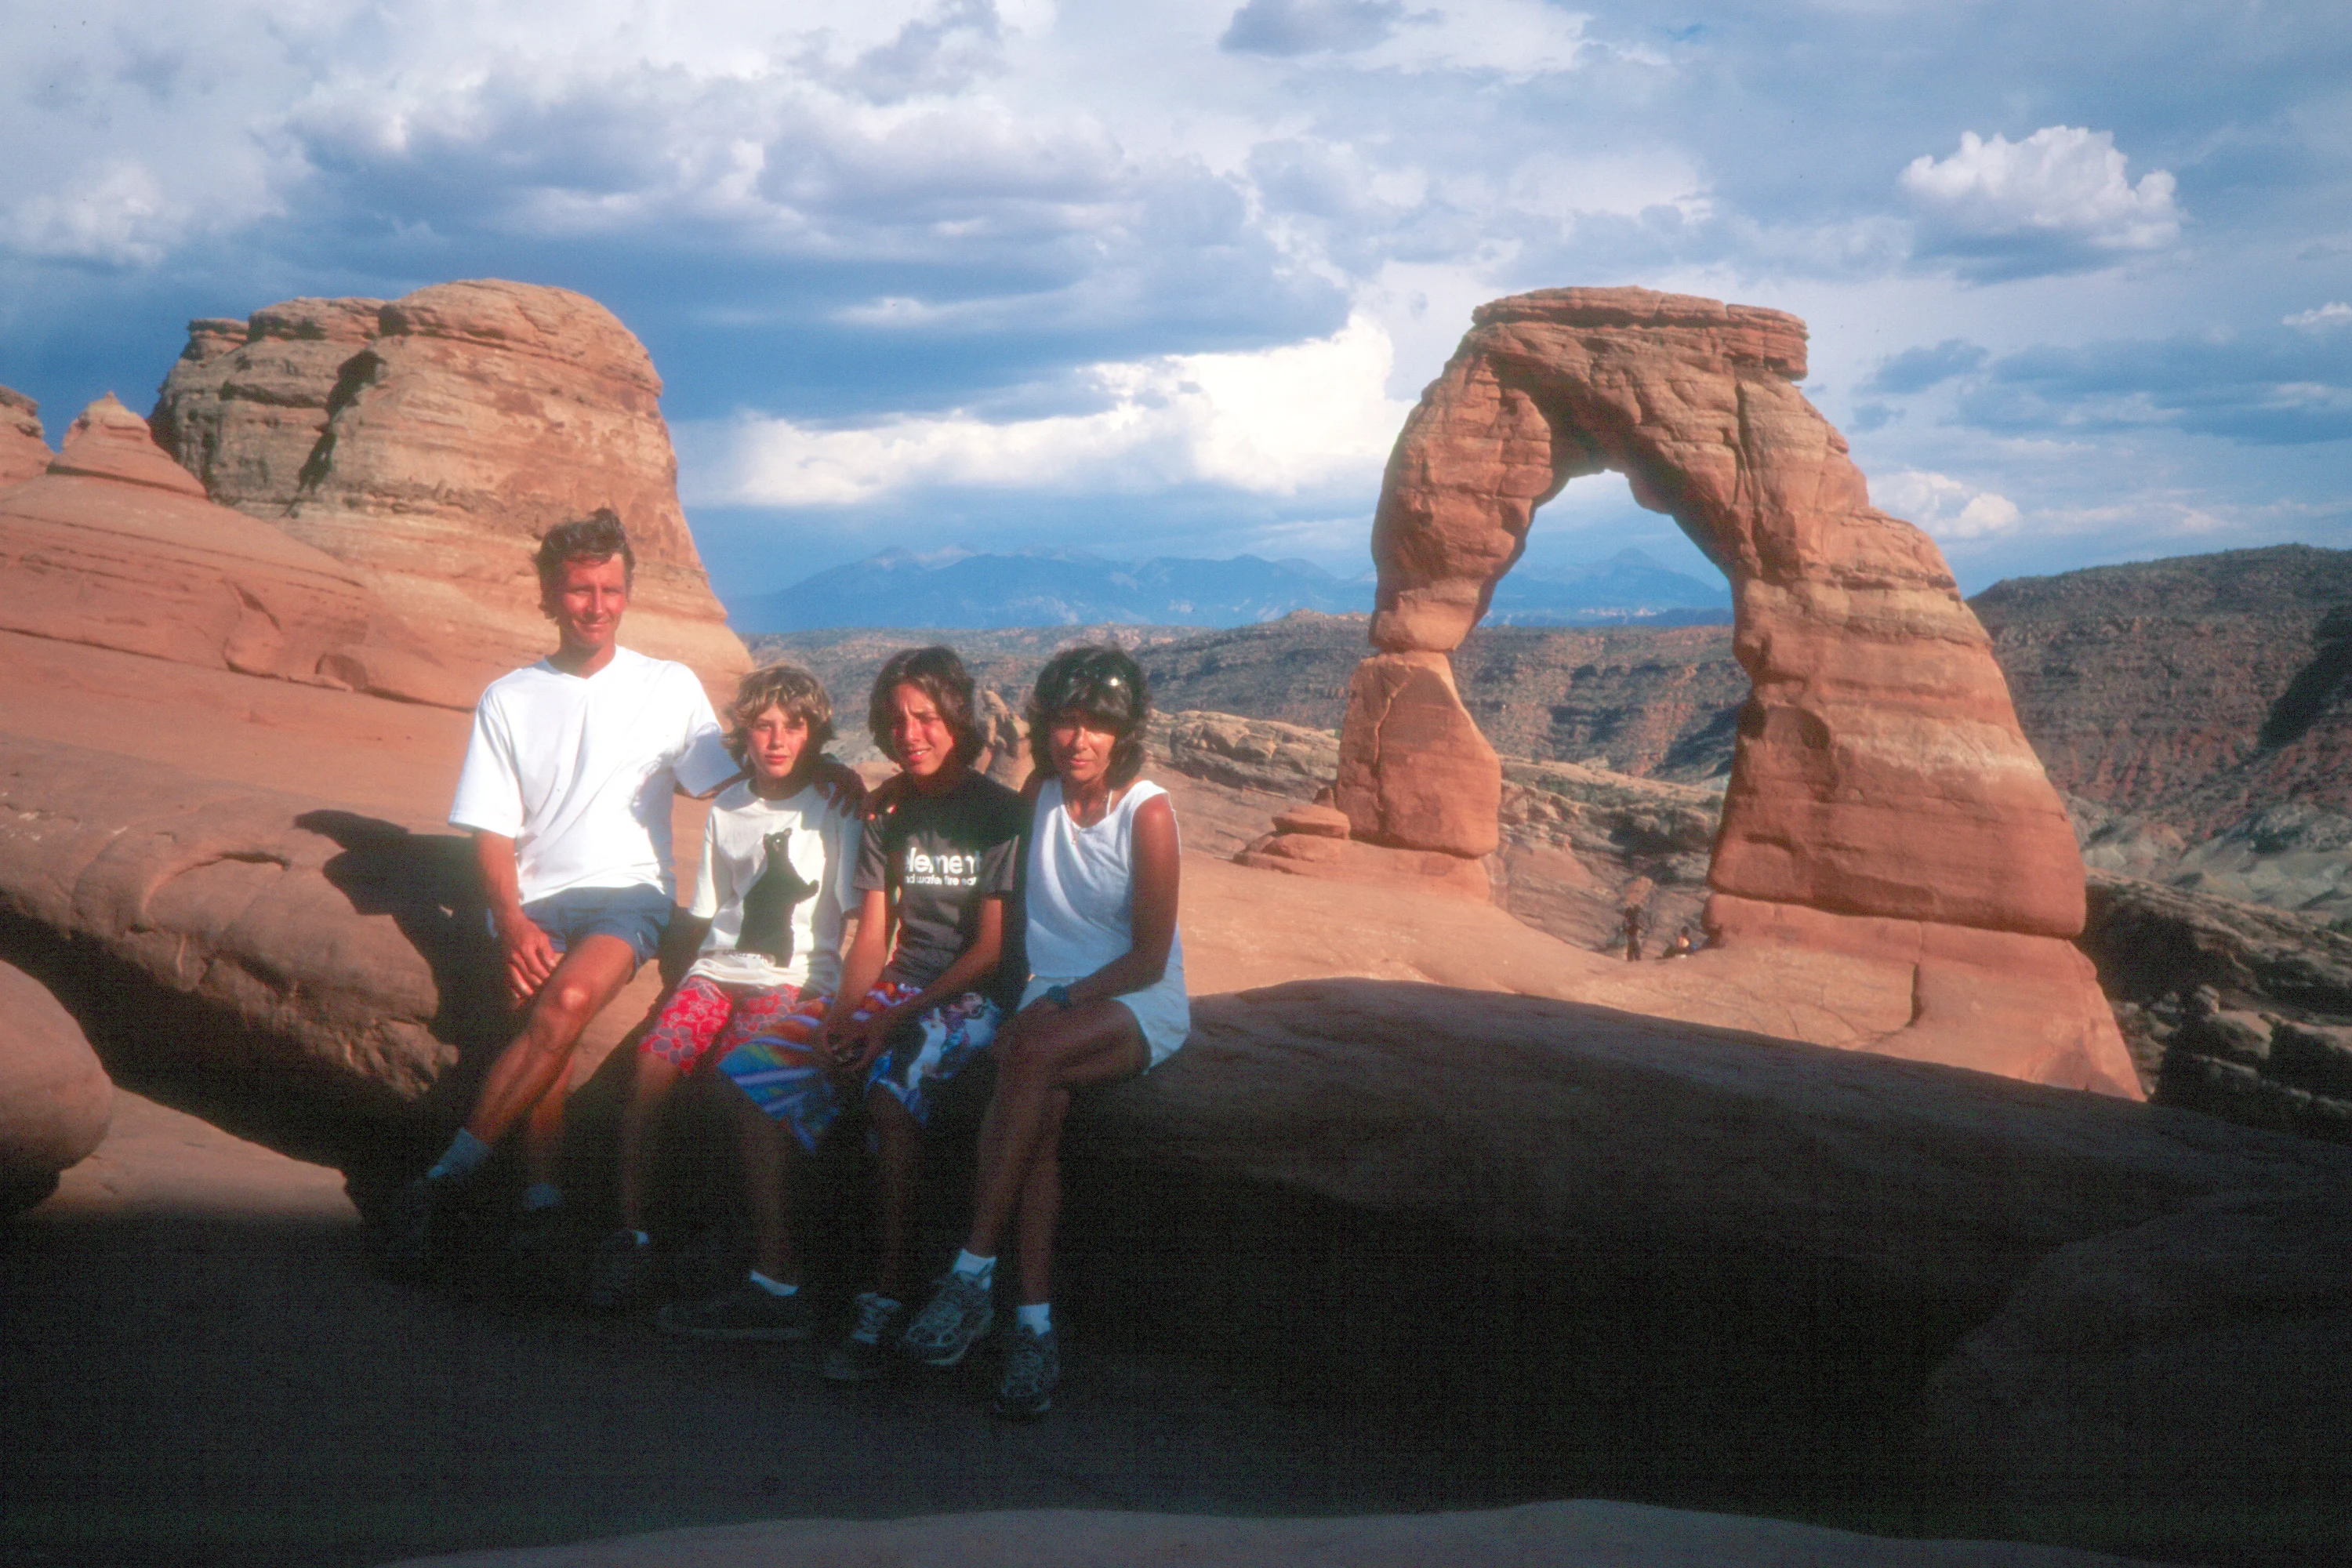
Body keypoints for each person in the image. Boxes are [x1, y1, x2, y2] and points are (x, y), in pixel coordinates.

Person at [386, 510, 742, 1276]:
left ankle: (444, 1178)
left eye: (611, 589)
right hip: (537, 900)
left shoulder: (668, 684)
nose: (597, 605)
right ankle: (542, 1205)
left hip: (630, 893)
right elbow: (490, 828)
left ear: (628, 592)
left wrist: (830, 777)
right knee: (548, 1032)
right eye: (580, 589)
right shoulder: (509, 697)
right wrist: (511, 921)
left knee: (567, 1002)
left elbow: (727, 781)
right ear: (550, 594)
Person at [898, 646, 1187, 1418]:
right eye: (1065, 720)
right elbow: (986, 840)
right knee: (1042, 1115)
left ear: (1125, 730)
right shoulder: (1040, 794)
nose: (1079, 739)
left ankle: (969, 1273)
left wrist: (1058, 1001)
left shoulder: (1147, 812)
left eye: (1098, 723)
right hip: (1053, 1002)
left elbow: (1149, 955)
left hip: (1133, 999)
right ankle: (1033, 1327)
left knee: (1027, 1054)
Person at [586, 663, 862, 1320]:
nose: (777, 739)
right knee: (653, 1064)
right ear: (744, 732)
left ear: (815, 732)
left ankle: (746, 1244)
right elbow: (713, 912)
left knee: (735, 1078)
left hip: (794, 977)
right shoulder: (729, 806)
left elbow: (856, 911)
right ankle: (634, 1235)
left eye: (794, 726)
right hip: (717, 970)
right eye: (763, 725)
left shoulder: (836, 807)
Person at [811, 646, 1029, 1382]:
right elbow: (875, 932)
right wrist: (846, 1013)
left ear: (957, 718)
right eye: (897, 720)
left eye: (927, 717)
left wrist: (890, 1020)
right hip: (905, 982)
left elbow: (991, 950)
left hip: (973, 993)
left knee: (893, 1088)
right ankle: (779, 1276)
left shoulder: (998, 813)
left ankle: (890, 1292)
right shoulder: (891, 811)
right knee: (787, 1069)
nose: (911, 734)